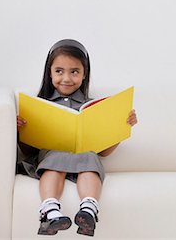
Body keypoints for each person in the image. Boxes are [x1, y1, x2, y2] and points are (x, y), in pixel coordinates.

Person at [16, 39, 137, 237]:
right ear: (49, 72)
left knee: (90, 158)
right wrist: (21, 131)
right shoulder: (39, 104)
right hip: (50, 158)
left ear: (84, 74)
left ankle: (88, 210)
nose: (66, 78)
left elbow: (104, 152)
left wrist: (120, 128)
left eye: (74, 72)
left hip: (84, 156)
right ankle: (49, 210)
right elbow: (28, 151)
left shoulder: (94, 106)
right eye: (59, 71)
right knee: (54, 159)